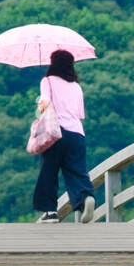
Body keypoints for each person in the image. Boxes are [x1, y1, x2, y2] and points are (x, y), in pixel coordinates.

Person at [33, 49, 95, 223]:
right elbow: (79, 114)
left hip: (55, 132)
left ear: (53, 63)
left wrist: (40, 105)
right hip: (76, 133)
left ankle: (50, 213)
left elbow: (44, 102)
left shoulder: (47, 81)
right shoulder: (76, 86)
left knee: (49, 170)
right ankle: (85, 197)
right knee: (77, 170)